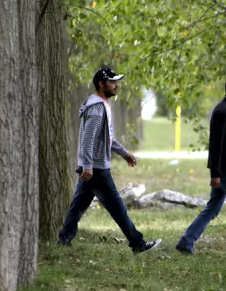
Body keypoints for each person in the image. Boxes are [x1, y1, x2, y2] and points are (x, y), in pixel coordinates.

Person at [57, 67, 161, 254]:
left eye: (116, 82)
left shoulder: (101, 104)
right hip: (95, 168)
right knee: (118, 208)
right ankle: (137, 244)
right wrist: (88, 166)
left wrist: (124, 153)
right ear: (101, 84)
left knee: (77, 207)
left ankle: (63, 241)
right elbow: (88, 139)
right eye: (112, 82)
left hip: (91, 167)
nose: (116, 85)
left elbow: (107, 138)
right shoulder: (97, 108)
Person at [175, 74, 226, 254]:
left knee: (212, 209)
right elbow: (216, 145)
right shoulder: (222, 112)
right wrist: (215, 173)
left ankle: (185, 242)